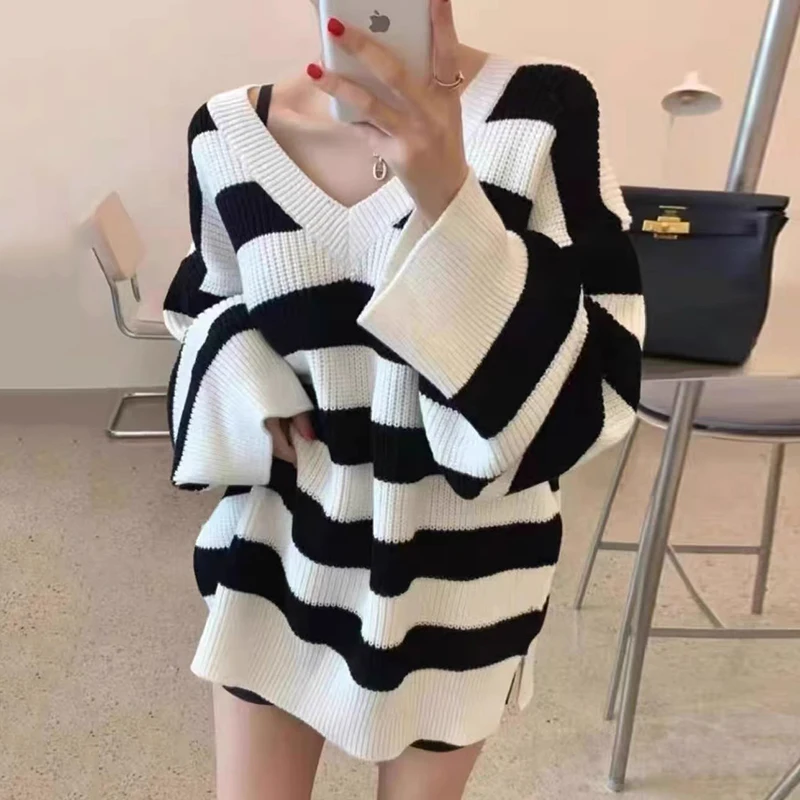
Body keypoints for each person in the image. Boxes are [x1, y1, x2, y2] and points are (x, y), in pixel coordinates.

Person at [163, 0, 644, 797]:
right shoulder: (227, 131)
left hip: (465, 580)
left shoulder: (541, 113)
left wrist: (448, 191)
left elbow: (603, 385)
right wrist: (246, 373)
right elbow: (204, 304)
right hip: (278, 555)